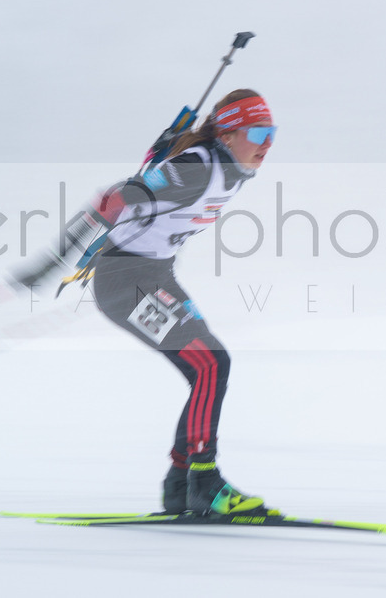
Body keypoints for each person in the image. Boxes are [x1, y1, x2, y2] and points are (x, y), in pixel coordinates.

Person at [88, 88, 276, 516]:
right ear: (228, 135)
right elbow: (117, 197)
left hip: (152, 276)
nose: (267, 143)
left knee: (207, 368)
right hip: (126, 283)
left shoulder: (224, 166)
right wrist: (63, 249)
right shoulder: (195, 168)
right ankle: (204, 484)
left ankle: (181, 485)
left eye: (273, 133)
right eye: (259, 131)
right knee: (212, 363)